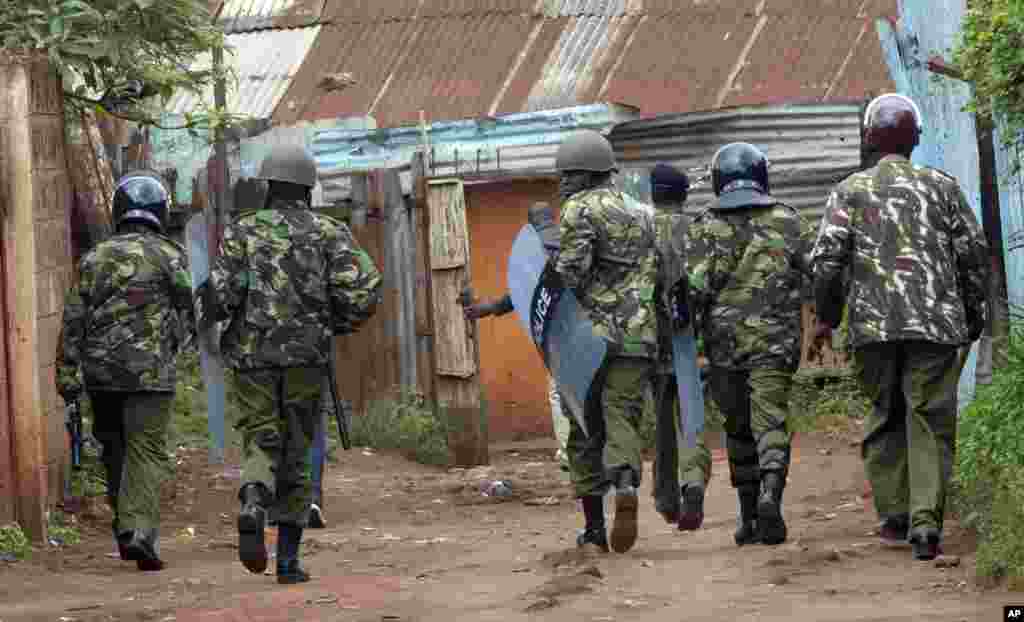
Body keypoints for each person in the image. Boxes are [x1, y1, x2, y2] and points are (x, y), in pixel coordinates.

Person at [809, 93, 989, 561]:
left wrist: (827, 319)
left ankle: (894, 517)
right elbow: (973, 257)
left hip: (872, 329)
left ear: (869, 137)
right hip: (935, 326)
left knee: (884, 413)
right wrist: (974, 316)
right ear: (916, 139)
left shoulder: (848, 191)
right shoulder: (943, 188)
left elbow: (826, 264)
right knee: (929, 420)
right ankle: (927, 527)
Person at [196, 144, 382, 584]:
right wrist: (334, 323)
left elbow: (219, 297)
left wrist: (227, 323)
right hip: (306, 358)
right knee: (298, 447)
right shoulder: (328, 232)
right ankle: (287, 562)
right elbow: (365, 290)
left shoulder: (242, 232)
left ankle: (253, 501)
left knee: (261, 436)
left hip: (251, 357)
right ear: (307, 188)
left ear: (268, 186)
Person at [57, 171, 194, 571]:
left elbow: (73, 320)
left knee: (114, 447)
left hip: (101, 375)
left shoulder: (93, 259)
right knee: (146, 449)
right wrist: (172, 348)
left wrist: (67, 375)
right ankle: (139, 531)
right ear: (160, 212)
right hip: (151, 375)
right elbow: (189, 310)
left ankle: (125, 527)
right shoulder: (170, 256)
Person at [687, 142, 810, 547]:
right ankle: (771, 495)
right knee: (770, 421)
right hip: (776, 344)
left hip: (725, 349)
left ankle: (748, 517)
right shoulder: (789, 221)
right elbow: (818, 275)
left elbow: (692, 291)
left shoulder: (703, 226)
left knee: (738, 429)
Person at [553, 129, 659, 554]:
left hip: (589, 339)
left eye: (566, 176)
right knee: (622, 418)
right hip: (637, 335)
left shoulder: (577, 209)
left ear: (583, 175)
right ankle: (626, 483)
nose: (561, 184)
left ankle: (594, 528)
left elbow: (573, 275)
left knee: (582, 426)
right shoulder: (643, 211)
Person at [457, 202, 570, 472]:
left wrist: (490, 308)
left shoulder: (534, 247)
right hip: (584, 321)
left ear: (530, 224)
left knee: (559, 390)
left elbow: (522, 290)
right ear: (551, 219)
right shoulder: (568, 238)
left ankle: (569, 452)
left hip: (555, 327)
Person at [646, 163, 713, 531]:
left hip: (653, 342)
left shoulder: (639, 231)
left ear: (653, 194)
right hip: (694, 341)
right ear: (683, 194)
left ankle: (666, 497)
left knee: (661, 424)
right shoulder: (699, 230)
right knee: (692, 418)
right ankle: (693, 484)